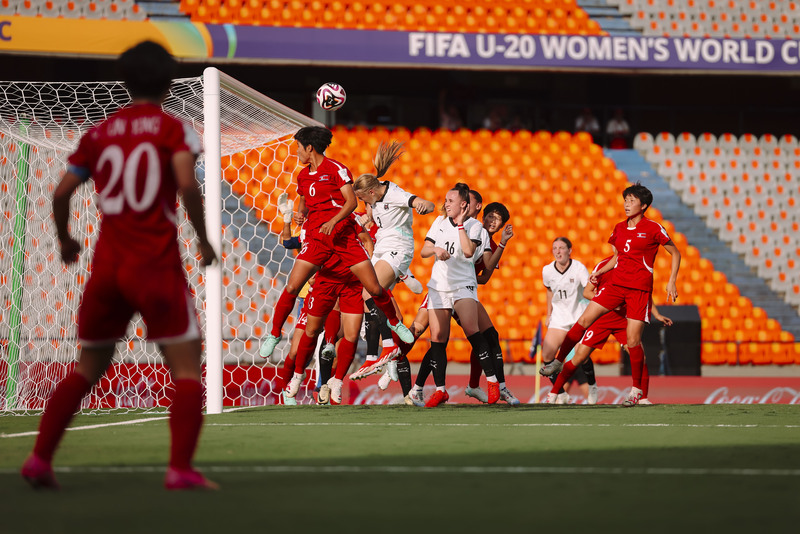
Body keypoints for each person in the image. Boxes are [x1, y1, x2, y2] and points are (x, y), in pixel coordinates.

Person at [20, 41, 218, 491]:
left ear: (125, 80)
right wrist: (204, 241)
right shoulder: (175, 128)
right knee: (186, 368)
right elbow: (187, 183)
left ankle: (38, 460)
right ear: (169, 82)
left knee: (86, 368)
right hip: (156, 265)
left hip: (108, 266)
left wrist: (67, 240)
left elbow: (60, 193)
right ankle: (180, 470)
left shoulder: (99, 132)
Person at [259, 126, 414, 360]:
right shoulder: (302, 175)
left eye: (298, 148)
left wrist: (333, 221)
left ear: (309, 148)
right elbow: (304, 202)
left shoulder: (337, 169)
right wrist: (300, 215)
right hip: (316, 239)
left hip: (343, 237)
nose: (297, 153)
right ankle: (274, 334)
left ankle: (394, 322)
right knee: (292, 286)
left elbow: (351, 202)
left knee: (373, 288)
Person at [540, 183, 681, 406]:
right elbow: (617, 258)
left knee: (634, 341)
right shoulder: (619, 228)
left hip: (639, 289)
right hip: (616, 286)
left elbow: (676, 252)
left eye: (632, 200)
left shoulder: (654, 228)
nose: (626, 203)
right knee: (584, 319)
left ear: (643, 205)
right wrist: (599, 273)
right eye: (625, 200)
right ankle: (558, 362)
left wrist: (671, 281)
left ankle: (637, 391)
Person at [405, 183, 499, 408]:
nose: (446, 204)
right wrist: (436, 250)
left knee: (471, 329)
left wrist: (459, 226)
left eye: (450, 201)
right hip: (439, 286)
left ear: (463, 205)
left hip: (463, 284)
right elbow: (424, 250)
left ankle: (493, 382)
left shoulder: (476, 226)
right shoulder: (438, 222)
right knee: (437, 338)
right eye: (446, 200)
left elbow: (468, 251)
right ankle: (440, 390)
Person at [348, 141, 435, 379]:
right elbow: (372, 214)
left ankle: (383, 348)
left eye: (363, 198)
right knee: (369, 300)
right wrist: (367, 220)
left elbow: (421, 202)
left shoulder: (396, 194)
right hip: (382, 248)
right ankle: (381, 354)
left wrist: (423, 205)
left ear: (372, 192)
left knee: (370, 293)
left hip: (399, 247)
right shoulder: (373, 196)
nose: (363, 203)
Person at [544, 256, 673, 404]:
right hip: (602, 318)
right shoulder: (603, 266)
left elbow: (643, 293)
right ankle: (555, 392)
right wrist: (607, 301)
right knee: (580, 356)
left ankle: (643, 398)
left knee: (640, 355)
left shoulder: (634, 266)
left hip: (623, 320)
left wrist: (656, 314)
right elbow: (587, 292)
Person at [538, 237, 592, 405]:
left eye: (562, 248)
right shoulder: (547, 270)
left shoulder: (578, 268)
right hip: (559, 320)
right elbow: (549, 291)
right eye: (555, 248)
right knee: (546, 355)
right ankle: (561, 394)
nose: (558, 251)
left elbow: (589, 288)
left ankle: (593, 387)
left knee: (581, 356)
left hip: (578, 318)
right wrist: (549, 314)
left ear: (570, 250)